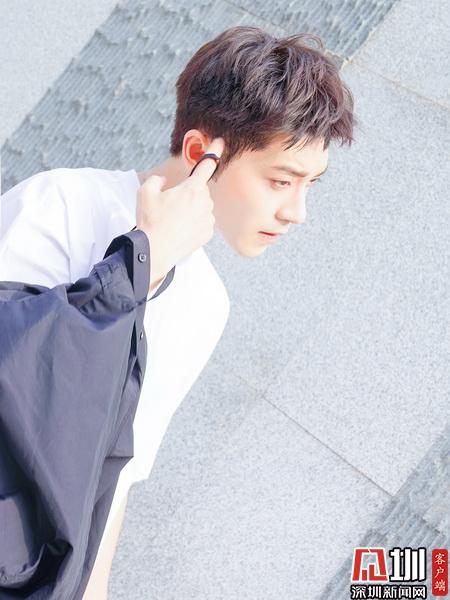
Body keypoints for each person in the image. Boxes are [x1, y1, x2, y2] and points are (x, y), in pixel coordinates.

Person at [0, 24, 356, 598]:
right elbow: (18, 369)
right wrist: (145, 262)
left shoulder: (206, 305)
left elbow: (111, 478)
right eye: (280, 181)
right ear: (199, 155)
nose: (297, 211)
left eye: (310, 184)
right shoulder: (60, 205)